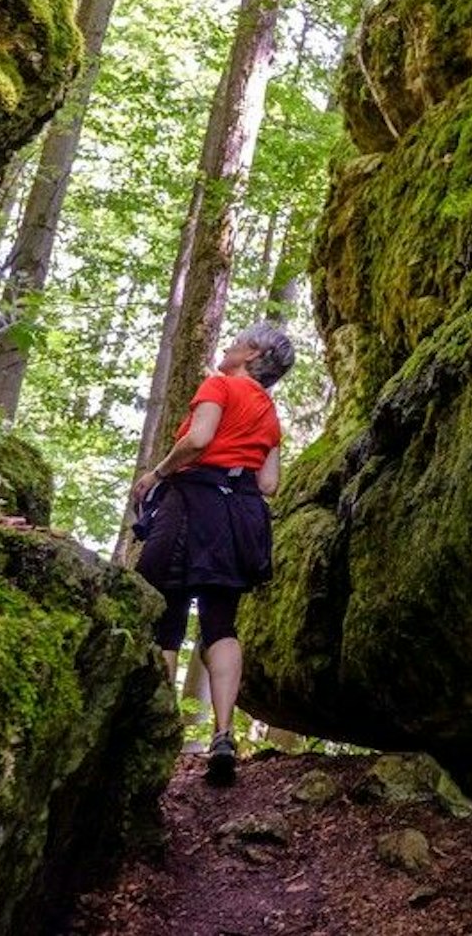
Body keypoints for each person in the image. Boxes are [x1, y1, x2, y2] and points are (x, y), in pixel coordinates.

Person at [130, 322, 295, 785]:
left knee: (165, 614)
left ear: (253, 353)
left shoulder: (220, 383)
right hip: (240, 516)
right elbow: (269, 484)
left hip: (191, 504)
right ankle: (223, 734)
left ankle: (154, 730)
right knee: (220, 623)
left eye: (237, 340)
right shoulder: (269, 410)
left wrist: (157, 474)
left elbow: (199, 439)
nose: (229, 344)